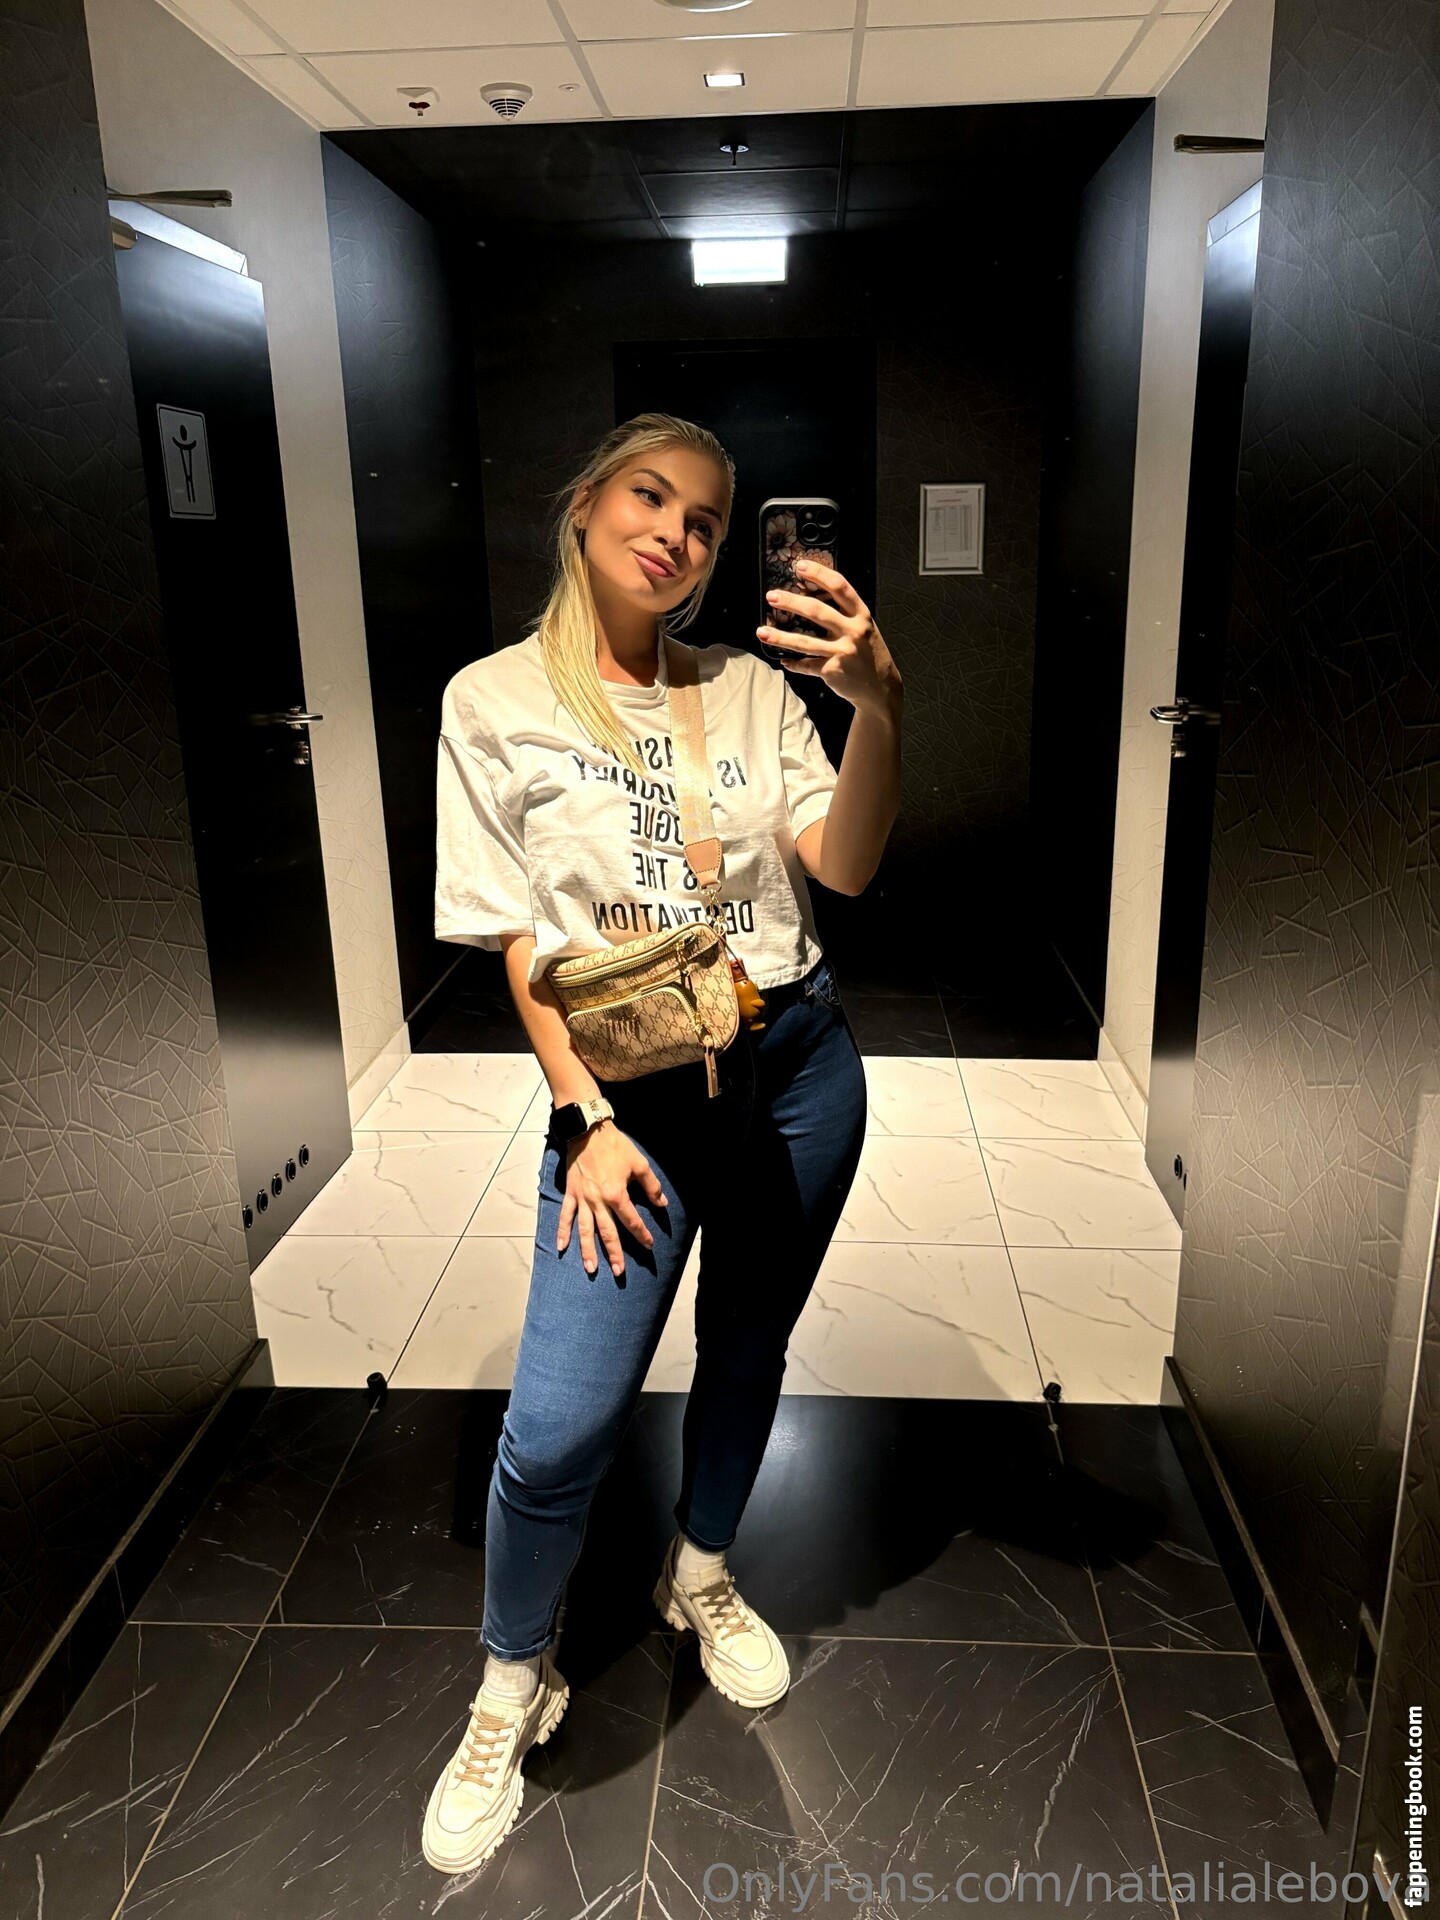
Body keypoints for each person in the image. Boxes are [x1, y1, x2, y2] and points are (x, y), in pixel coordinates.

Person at [423, 413, 902, 1874]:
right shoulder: (492, 699)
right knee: (560, 1423)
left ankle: (699, 1569)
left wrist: (879, 706)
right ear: (584, 504)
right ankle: (514, 1677)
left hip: (795, 1062)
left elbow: (844, 866)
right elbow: (518, 938)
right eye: (651, 497)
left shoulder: (750, 689)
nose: (677, 537)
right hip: (627, 1098)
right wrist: (582, 1115)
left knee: (749, 1343)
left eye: (705, 523)